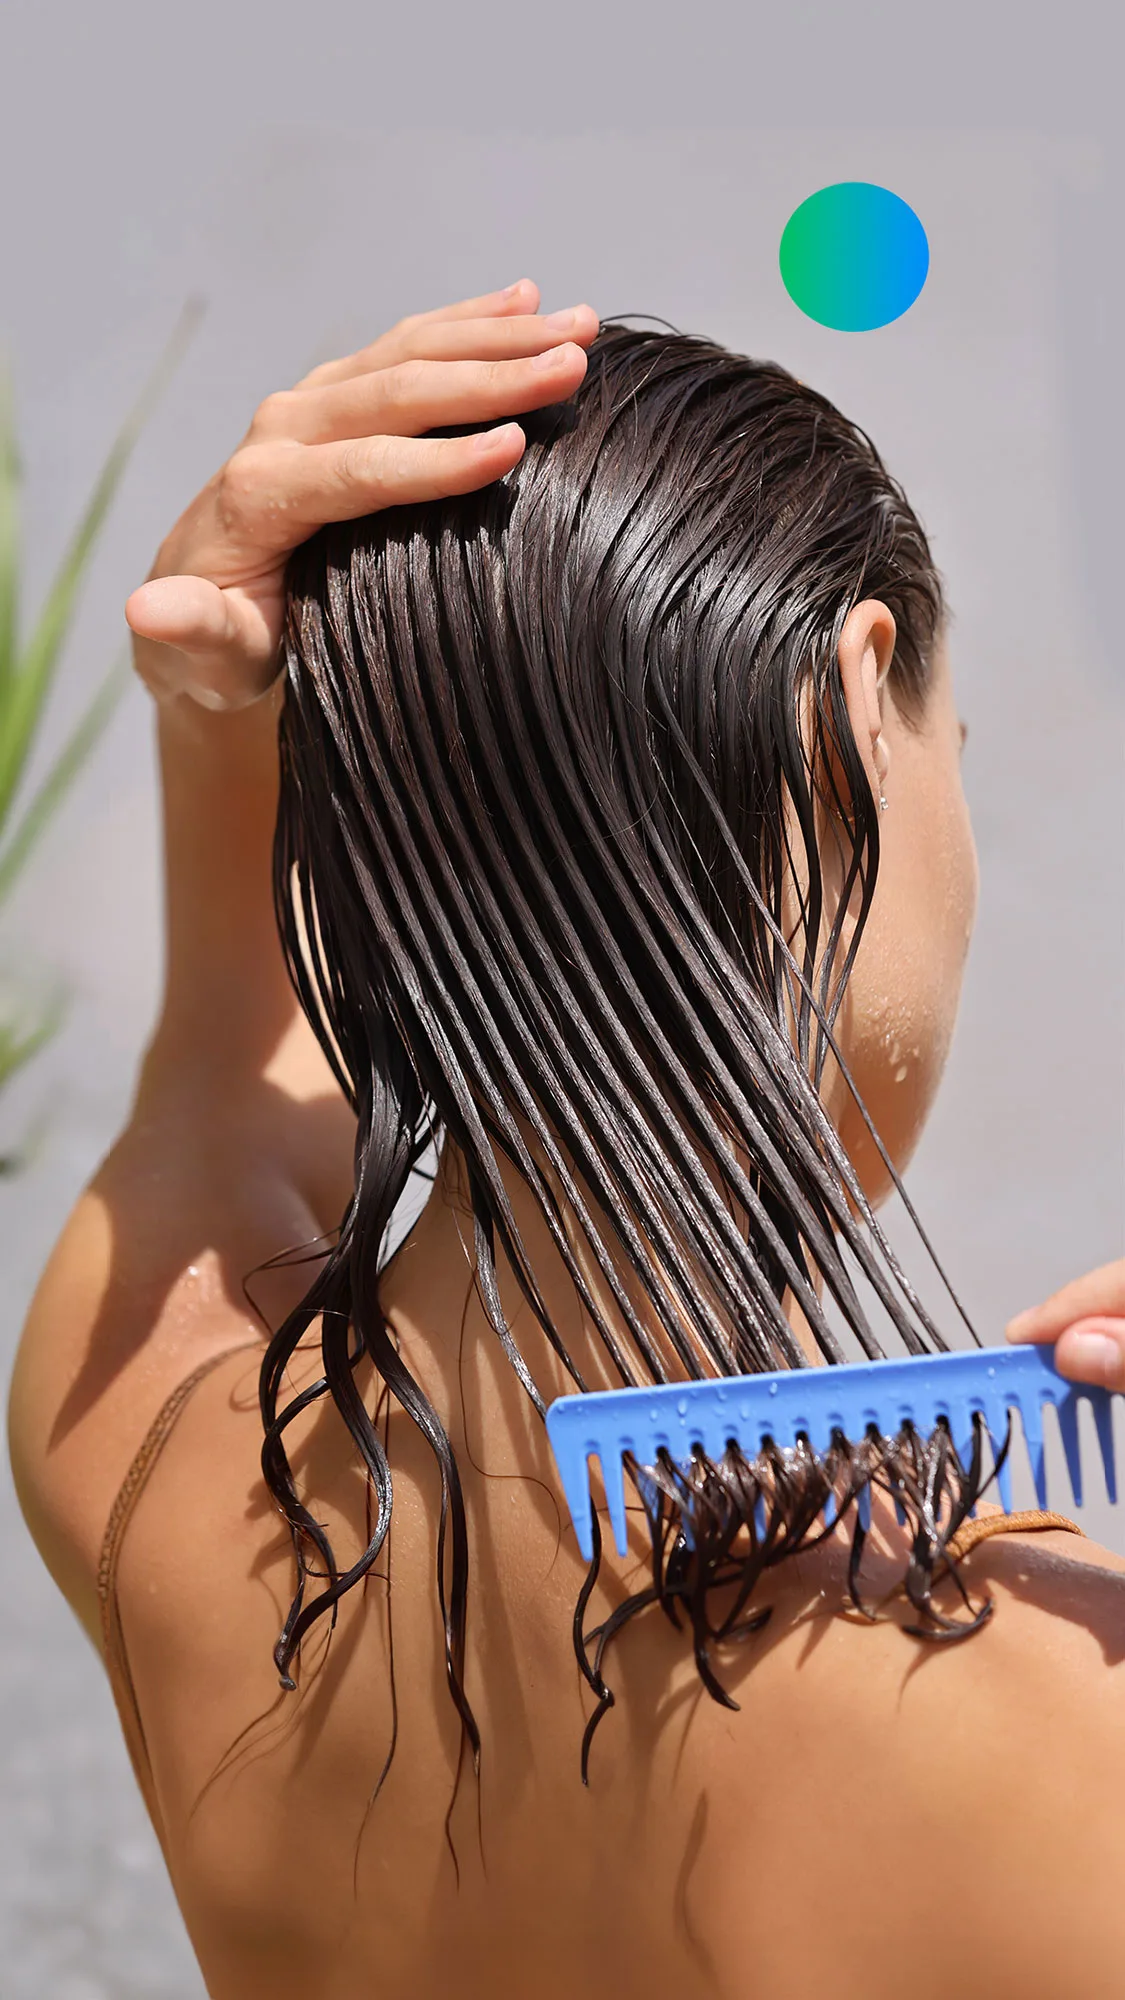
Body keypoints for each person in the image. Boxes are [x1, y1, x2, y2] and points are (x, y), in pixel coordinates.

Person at [7, 278, 1125, 2000]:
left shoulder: (155, 1473)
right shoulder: (1056, 1698)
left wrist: (219, 718)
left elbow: (207, 1105)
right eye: (949, 757)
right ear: (855, 712)